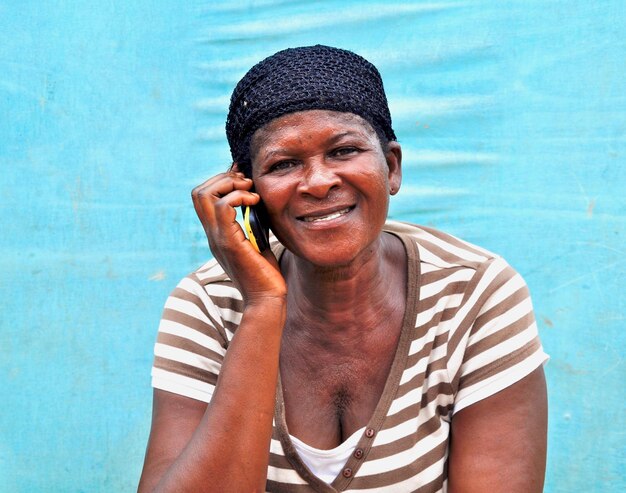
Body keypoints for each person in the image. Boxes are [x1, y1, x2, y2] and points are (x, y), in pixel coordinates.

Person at [138, 45, 548, 493]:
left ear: (391, 167)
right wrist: (263, 306)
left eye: (344, 150)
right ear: (247, 189)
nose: (317, 182)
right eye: (283, 164)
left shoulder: (474, 294)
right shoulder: (210, 305)